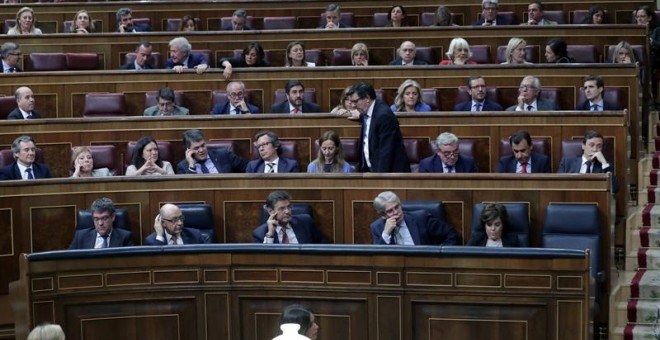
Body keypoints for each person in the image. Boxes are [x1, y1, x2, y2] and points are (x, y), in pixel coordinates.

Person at [347, 82, 411, 172]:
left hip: (389, 173)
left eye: (355, 101)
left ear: (367, 98)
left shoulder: (384, 116)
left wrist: (379, 179)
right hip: (372, 169)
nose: (353, 105)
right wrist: (360, 117)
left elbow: (386, 151)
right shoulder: (368, 112)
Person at [370, 191, 457, 245]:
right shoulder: (377, 227)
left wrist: (440, 256)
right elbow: (379, 257)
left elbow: (451, 233)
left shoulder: (421, 218)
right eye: (390, 211)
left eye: (397, 207)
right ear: (383, 215)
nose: (396, 212)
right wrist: (386, 233)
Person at [252, 190, 327, 244]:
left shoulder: (305, 222)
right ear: (271, 211)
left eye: (289, 207)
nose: (287, 211)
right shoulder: (260, 233)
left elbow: (323, 244)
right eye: (282, 209)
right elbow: (265, 259)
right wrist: (270, 234)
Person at [68, 197, 133, 249]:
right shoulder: (81, 236)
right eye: (96, 219)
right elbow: (69, 260)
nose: (100, 223)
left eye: (104, 218)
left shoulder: (125, 237)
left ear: (112, 217)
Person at [176, 129, 247, 174]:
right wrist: (191, 166)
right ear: (188, 150)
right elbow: (188, 190)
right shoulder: (182, 167)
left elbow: (247, 168)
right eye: (196, 148)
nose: (201, 150)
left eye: (203, 145)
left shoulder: (224, 155)